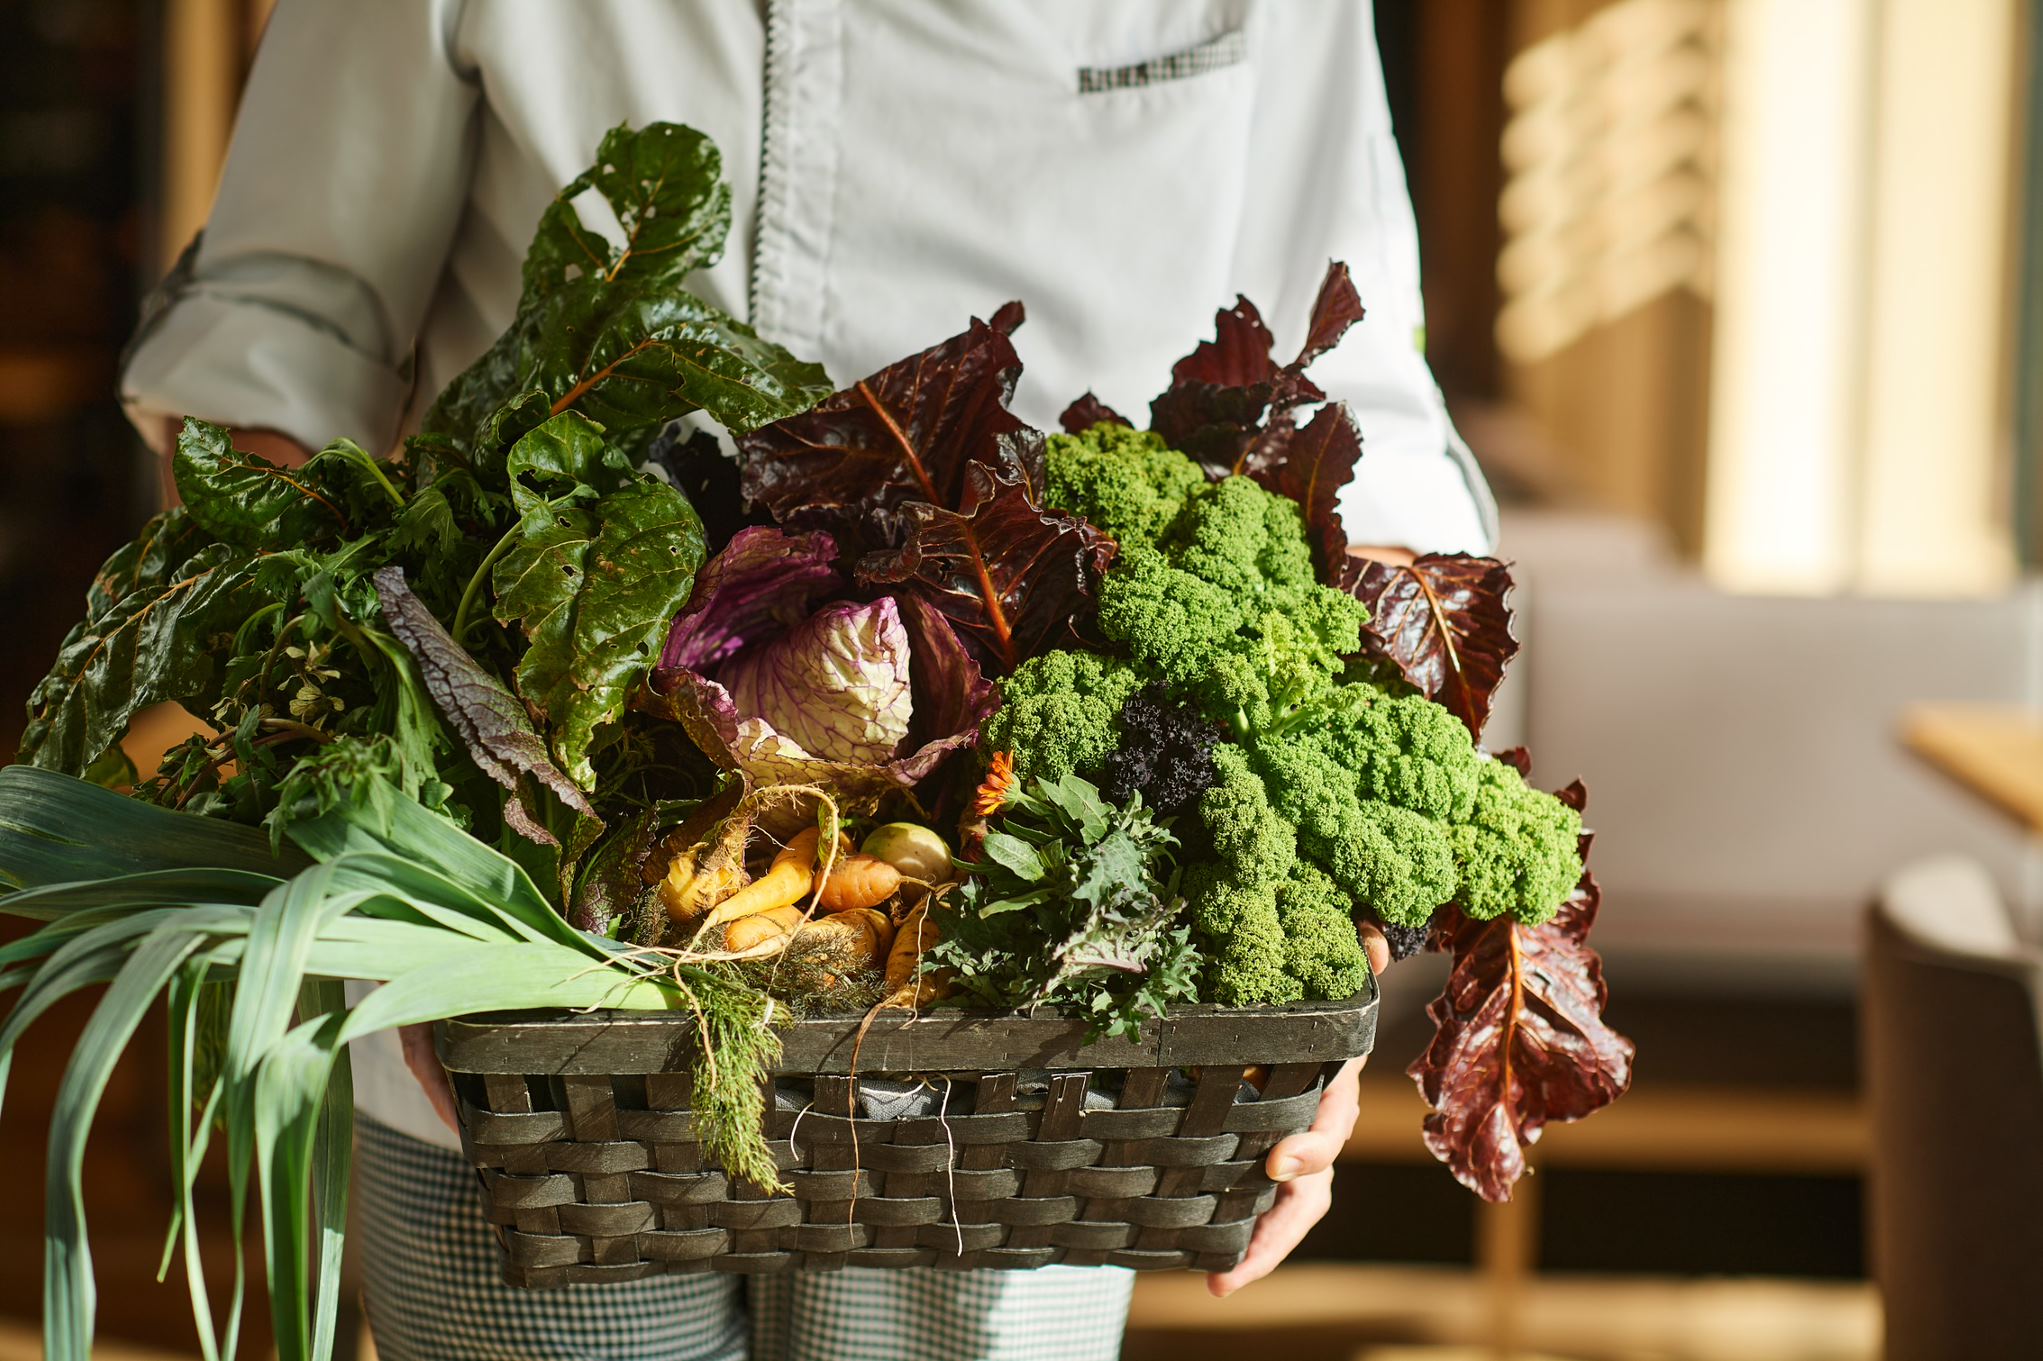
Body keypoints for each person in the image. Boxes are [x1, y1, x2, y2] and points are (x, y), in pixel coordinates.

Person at [120, 4, 1498, 1359]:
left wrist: (1321, 938)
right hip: (542, 935)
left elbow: (1364, 433)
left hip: (1041, 974)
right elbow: (284, 337)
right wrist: (412, 794)